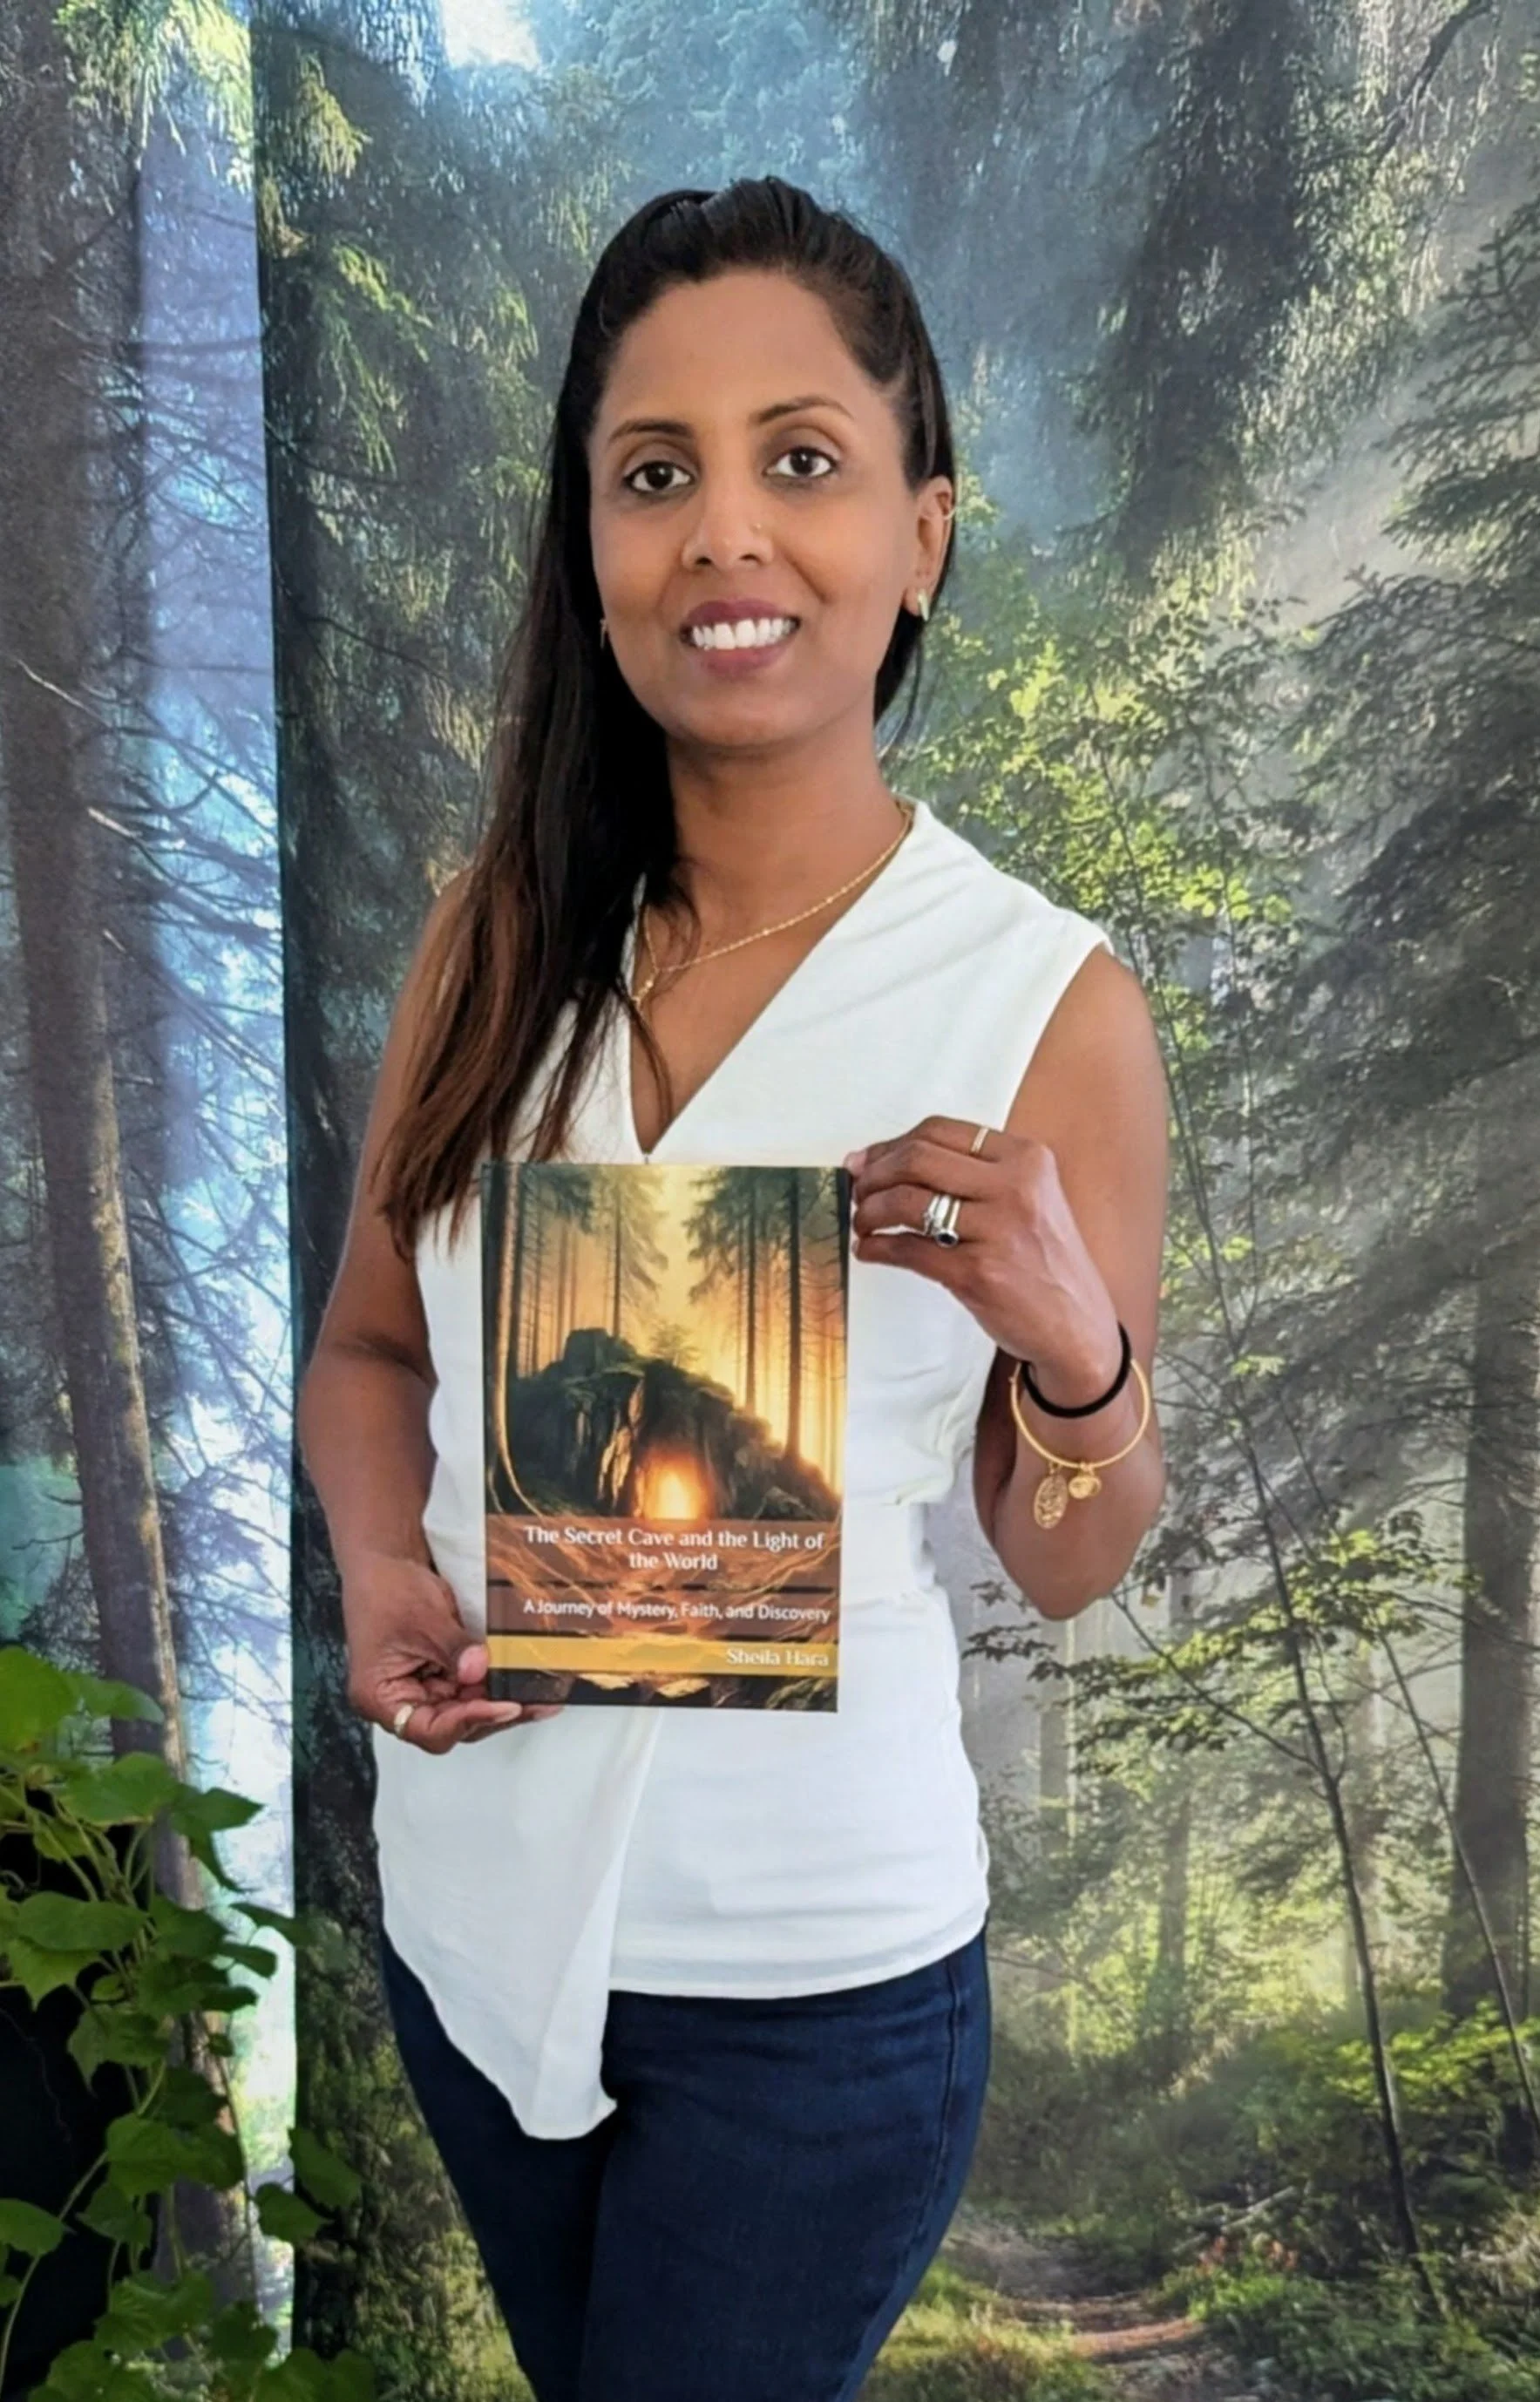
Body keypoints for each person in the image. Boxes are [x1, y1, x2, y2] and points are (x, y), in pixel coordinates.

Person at [296, 175, 1168, 2402]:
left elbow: (1069, 1564)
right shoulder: (490, 930)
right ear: (589, 548)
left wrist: (1076, 1352)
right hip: (478, 1939)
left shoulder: (1041, 1000)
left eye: (802, 461)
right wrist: (380, 1555)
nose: (724, 536)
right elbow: (376, 1345)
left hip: (815, 1989)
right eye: (652, 473)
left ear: (923, 532)